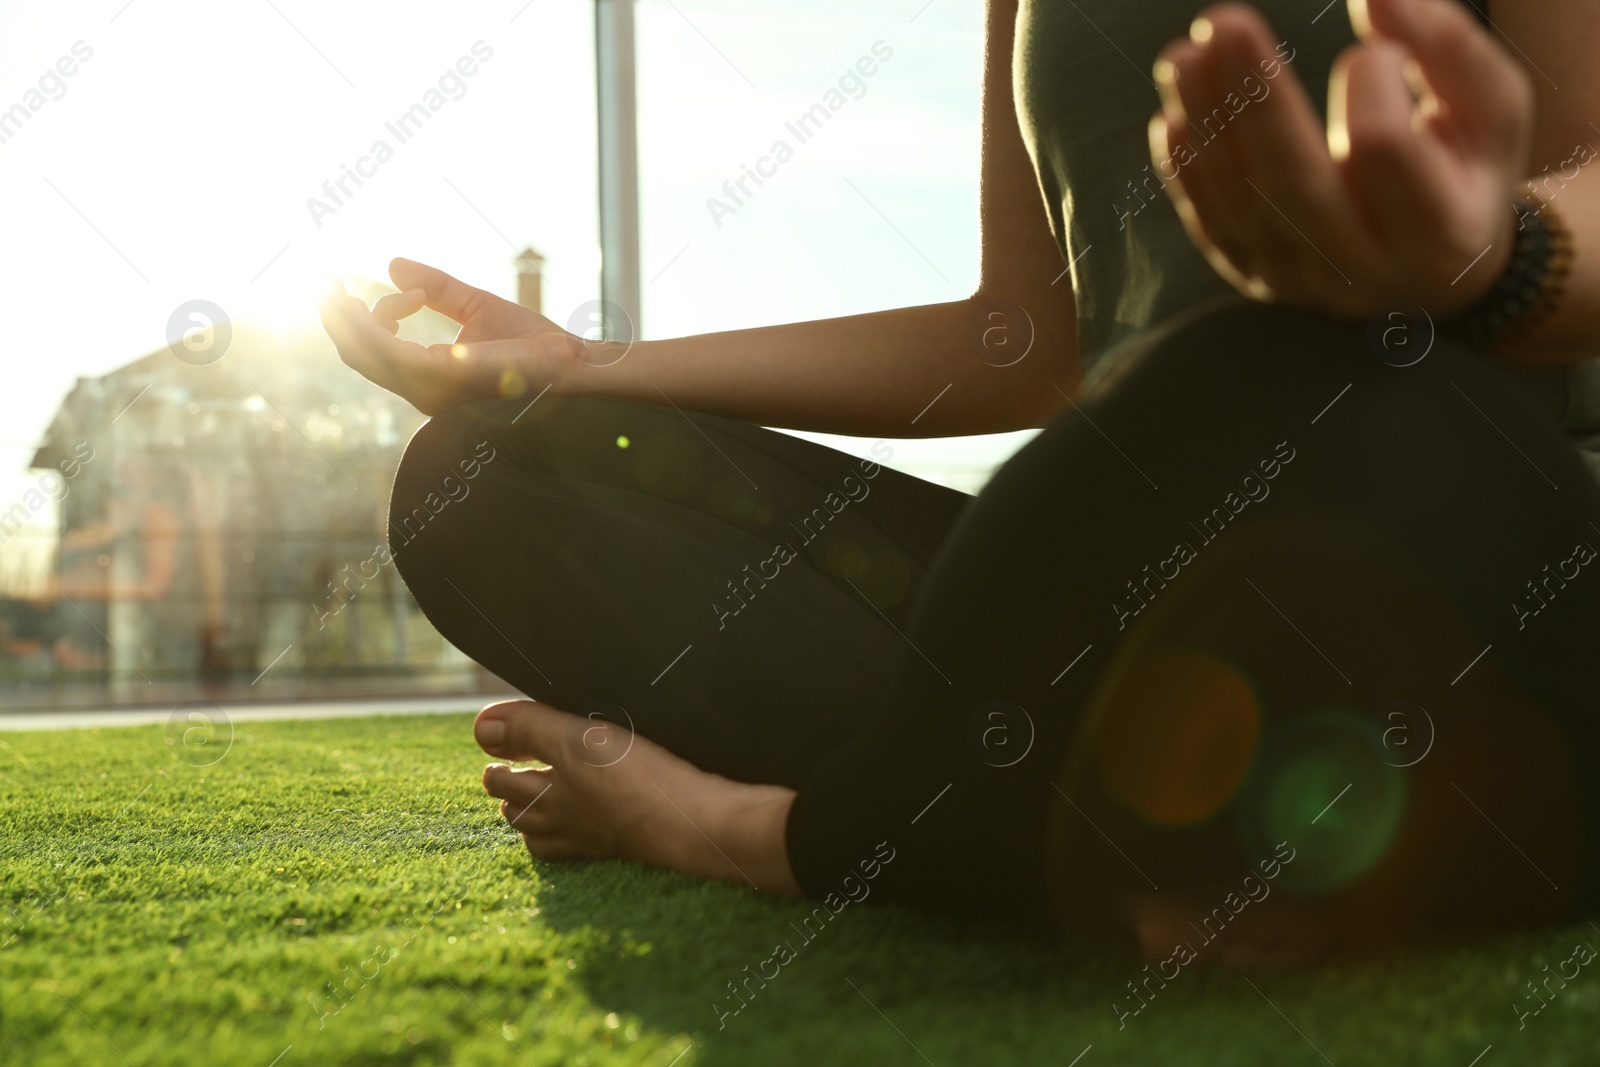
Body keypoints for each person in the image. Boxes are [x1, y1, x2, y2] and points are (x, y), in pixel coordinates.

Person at [321, 0, 1600, 965]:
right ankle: (1109, 811)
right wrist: (584, 368)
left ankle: (762, 827)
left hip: (1456, 570)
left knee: (1254, 378)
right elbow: (1015, 344)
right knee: (479, 481)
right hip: (1112, 593)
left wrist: (1484, 258)